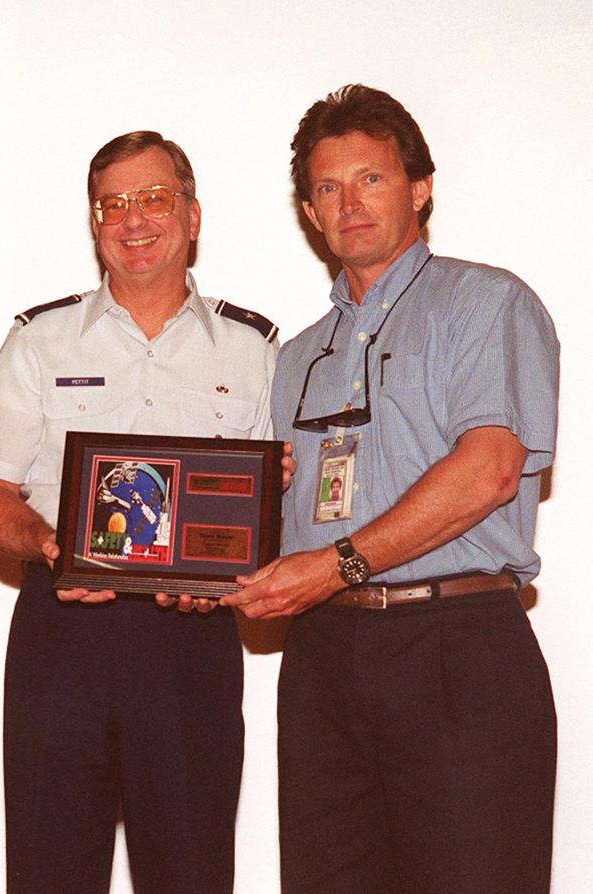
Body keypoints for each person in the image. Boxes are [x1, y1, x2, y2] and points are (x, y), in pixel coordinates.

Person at [223, 84, 559, 893]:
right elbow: (277, 520)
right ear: (309, 211)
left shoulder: (485, 304)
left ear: (420, 187)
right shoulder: (297, 356)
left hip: (457, 648)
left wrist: (335, 563)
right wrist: (207, 557)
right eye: (329, 188)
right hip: (322, 662)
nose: (350, 203)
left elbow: (489, 469)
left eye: (371, 179)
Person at [0, 132, 279, 893]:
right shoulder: (40, 341)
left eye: (154, 199)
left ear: (192, 215)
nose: (133, 221)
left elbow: (275, 506)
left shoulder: (253, 349)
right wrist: (47, 542)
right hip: (63, 630)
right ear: (93, 222)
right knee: (50, 872)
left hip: (192, 640)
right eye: (112, 205)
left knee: (190, 871)